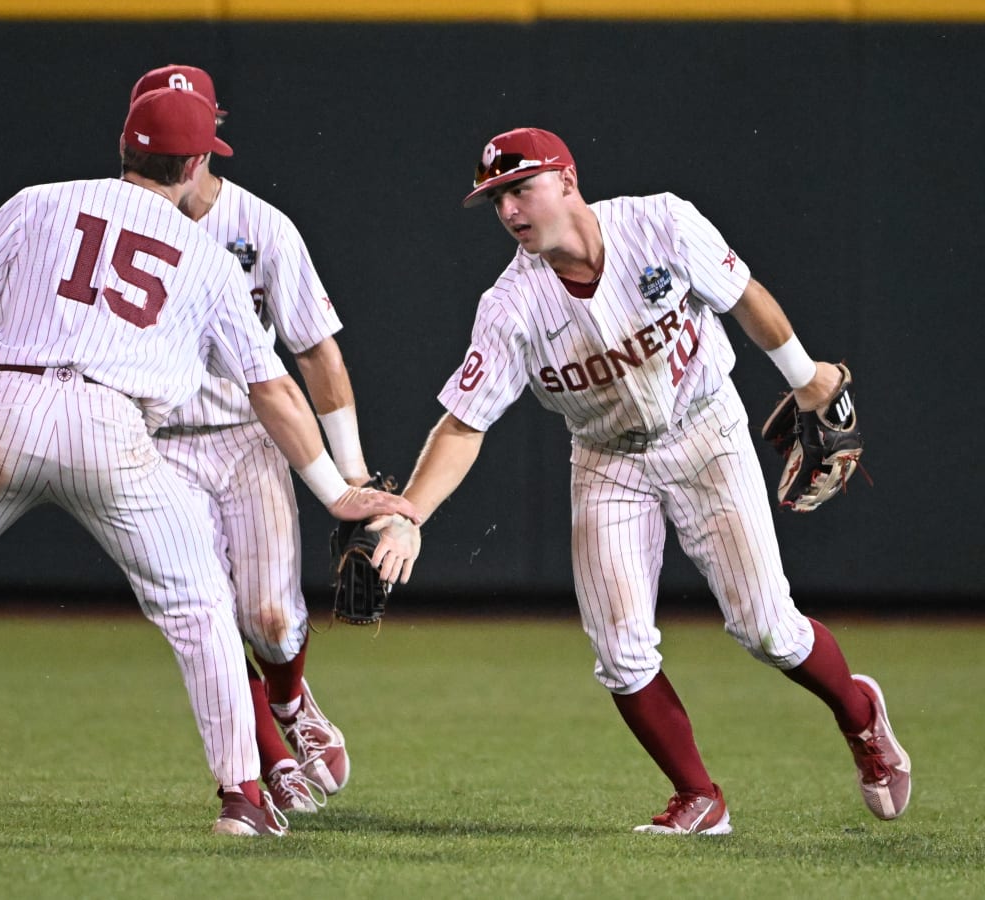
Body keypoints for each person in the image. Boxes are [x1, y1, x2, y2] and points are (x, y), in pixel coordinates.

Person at [0, 87, 417, 838]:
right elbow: (274, 385)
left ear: (124, 147)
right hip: (114, 430)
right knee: (199, 608)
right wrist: (335, 492)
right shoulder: (205, 256)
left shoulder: (40, 202)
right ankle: (242, 797)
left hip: (4, 411)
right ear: (193, 163)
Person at [372, 126, 911, 834]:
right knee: (621, 653)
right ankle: (699, 797)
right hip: (606, 458)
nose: (508, 211)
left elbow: (744, 296)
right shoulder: (511, 307)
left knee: (768, 630)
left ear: (567, 180)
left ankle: (861, 713)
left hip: (706, 430)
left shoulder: (659, 222)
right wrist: (410, 510)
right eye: (496, 198)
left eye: (519, 189)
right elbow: (463, 424)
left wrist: (807, 379)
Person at [126, 65, 370, 814]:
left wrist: (353, 474)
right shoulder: (115, 222)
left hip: (248, 436)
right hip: (154, 441)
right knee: (203, 610)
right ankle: (264, 754)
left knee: (268, 614)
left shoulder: (261, 227)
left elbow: (317, 350)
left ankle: (291, 703)